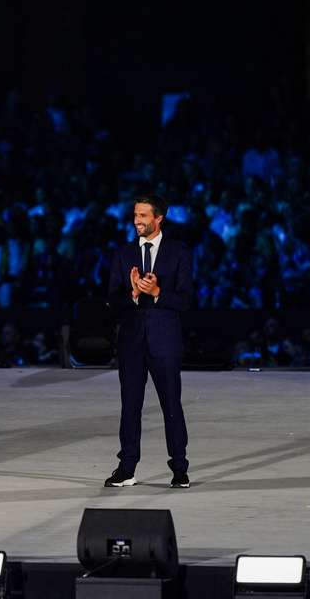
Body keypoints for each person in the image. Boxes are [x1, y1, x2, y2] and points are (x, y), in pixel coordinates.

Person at [105, 194, 193, 489]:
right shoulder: (122, 253)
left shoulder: (179, 252)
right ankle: (127, 467)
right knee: (130, 406)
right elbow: (112, 301)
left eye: (143, 216)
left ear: (159, 218)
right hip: (131, 341)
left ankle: (179, 468)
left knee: (171, 405)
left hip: (165, 341)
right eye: (135, 215)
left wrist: (156, 292)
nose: (137, 221)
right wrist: (131, 294)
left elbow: (186, 301)